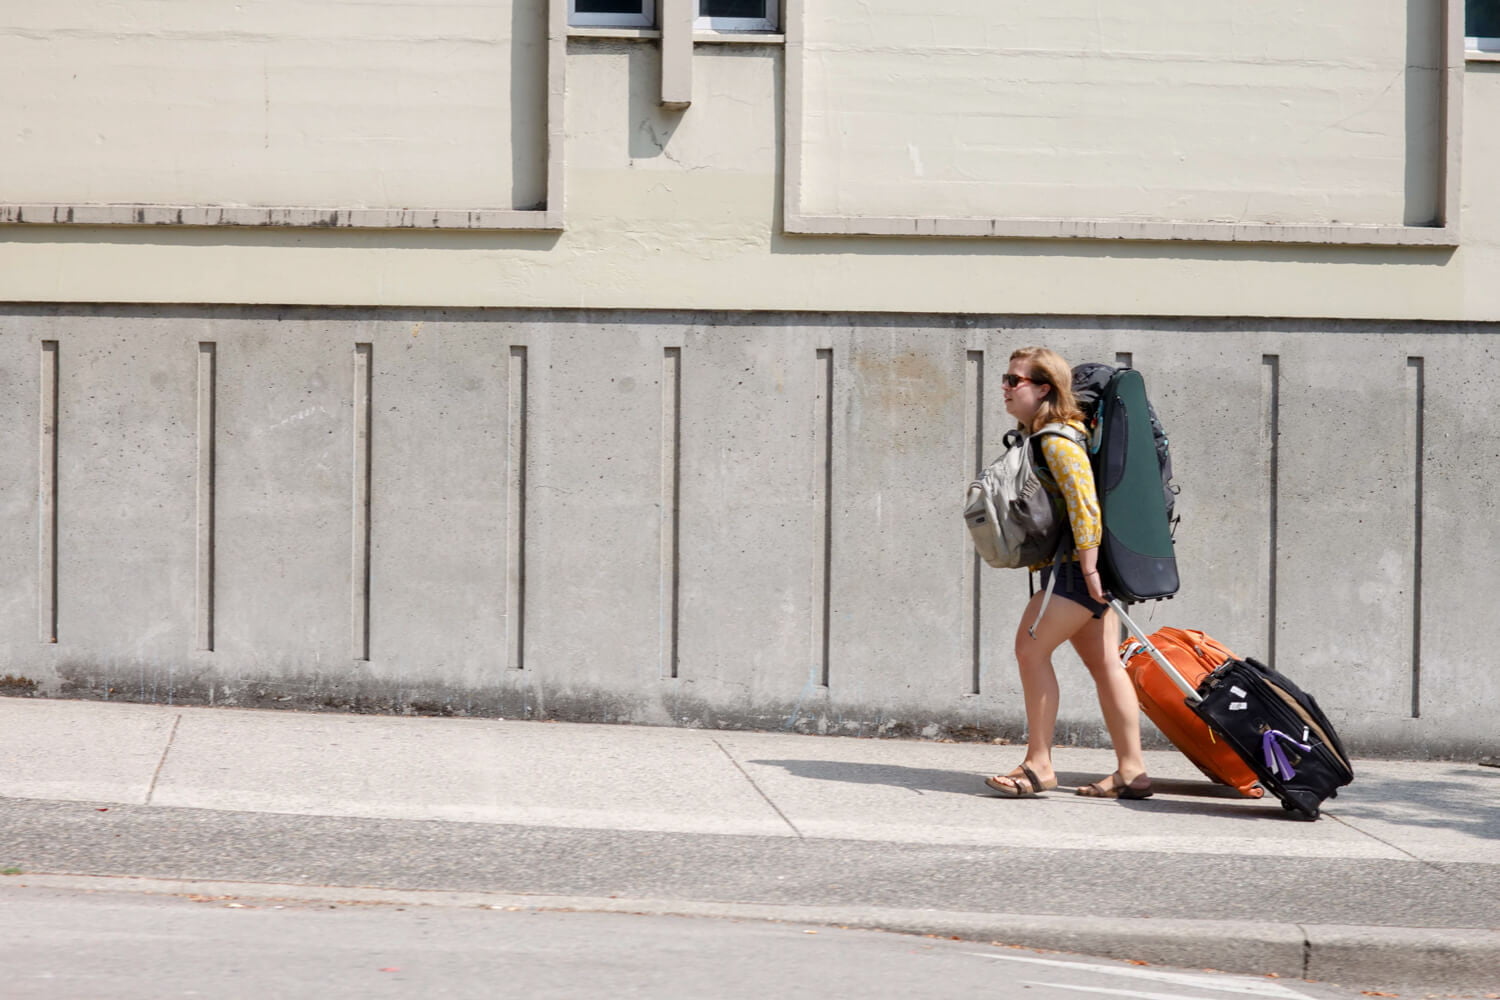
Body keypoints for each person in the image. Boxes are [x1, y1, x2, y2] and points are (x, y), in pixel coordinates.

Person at [983, 347, 1153, 800]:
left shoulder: (1057, 439)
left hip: (1077, 573)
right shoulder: (1059, 434)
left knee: (1029, 651)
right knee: (1106, 667)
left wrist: (1090, 567)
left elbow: (1084, 502)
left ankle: (1039, 765)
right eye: (1005, 377)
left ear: (1043, 389)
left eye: (1013, 380)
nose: (1004, 386)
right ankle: (1131, 770)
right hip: (1086, 573)